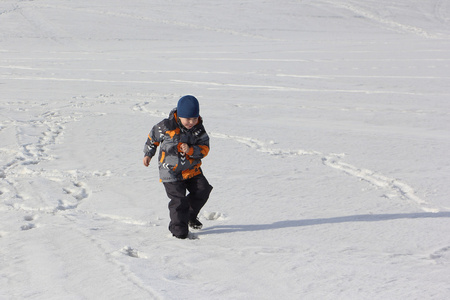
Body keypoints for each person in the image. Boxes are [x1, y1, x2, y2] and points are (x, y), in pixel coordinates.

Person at [143, 95, 213, 239]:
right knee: (178, 200)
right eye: (187, 119)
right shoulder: (166, 126)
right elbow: (153, 138)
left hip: (191, 169)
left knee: (203, 190)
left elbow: (205, 148)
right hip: (170, 171)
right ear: (179, 115)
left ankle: (189, 216)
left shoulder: (198, 129)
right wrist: (148, 154)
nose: (191, 122)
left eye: (194, 118)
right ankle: (179, 231)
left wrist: (191, 150)